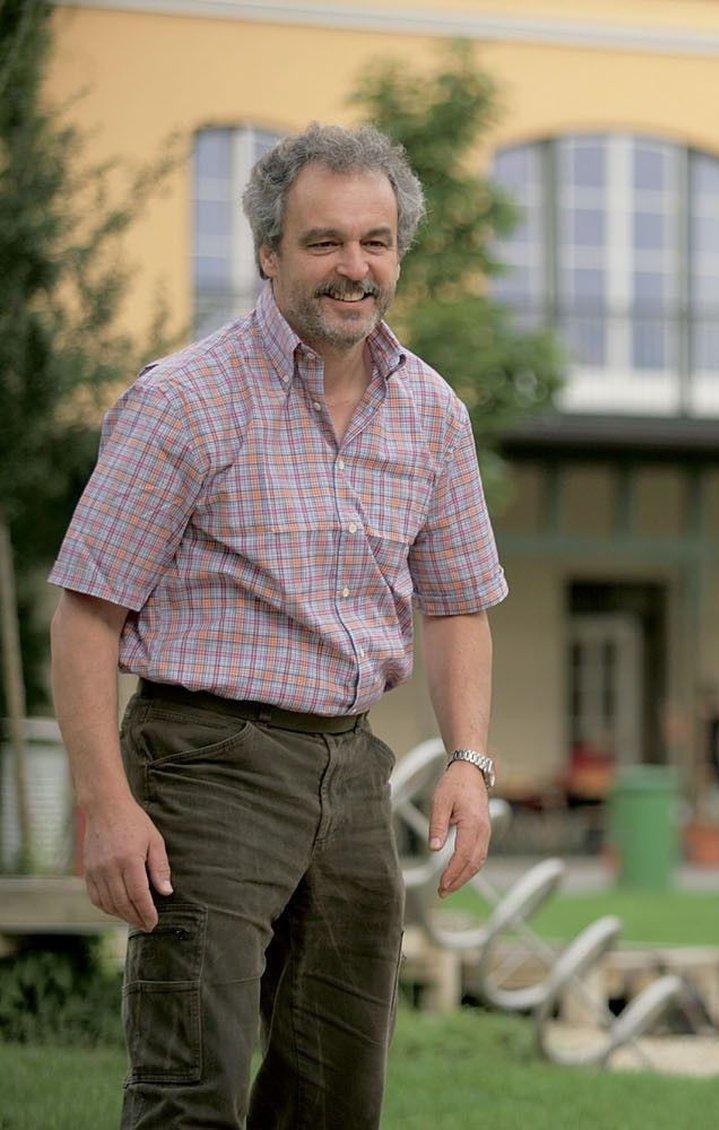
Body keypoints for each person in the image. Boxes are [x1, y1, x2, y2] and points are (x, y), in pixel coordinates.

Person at [48, 123, 508, 1128]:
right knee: (191, 1083)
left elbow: (460, 601)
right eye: (324, 242)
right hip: (204, 759)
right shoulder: (184, 400)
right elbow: (84, 615)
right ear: (269, 253)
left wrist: (469, 758)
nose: (355, 268)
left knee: (336, 1086)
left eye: (376, 242)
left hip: (351, 770)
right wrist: (104, 802)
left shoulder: (433, 413)